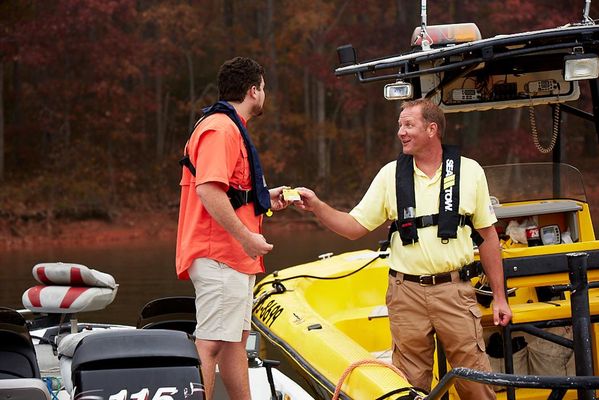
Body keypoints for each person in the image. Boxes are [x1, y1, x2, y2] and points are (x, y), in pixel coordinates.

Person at [296, 98, 512, 399]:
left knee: (474, 379)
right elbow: (354, 227)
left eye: (408, 124)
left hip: (454, 291)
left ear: (432, 128)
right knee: (410, 385)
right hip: (405, 293)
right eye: (400, 125)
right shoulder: (389, 176)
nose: (401, 132)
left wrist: (500, 297)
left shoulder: (470, 171)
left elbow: (488, 237)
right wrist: (317, 206)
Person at [175, 56, 290, 400]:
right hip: (219, 255)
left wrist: (264, 198)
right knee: (210, 343)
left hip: (234, 259)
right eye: (264, 87)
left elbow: (230, 191)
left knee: (234, 344)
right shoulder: (220, 129)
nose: (264, 94)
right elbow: (208, 189)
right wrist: (247, 238)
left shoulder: (230, 127)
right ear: (253, 91)